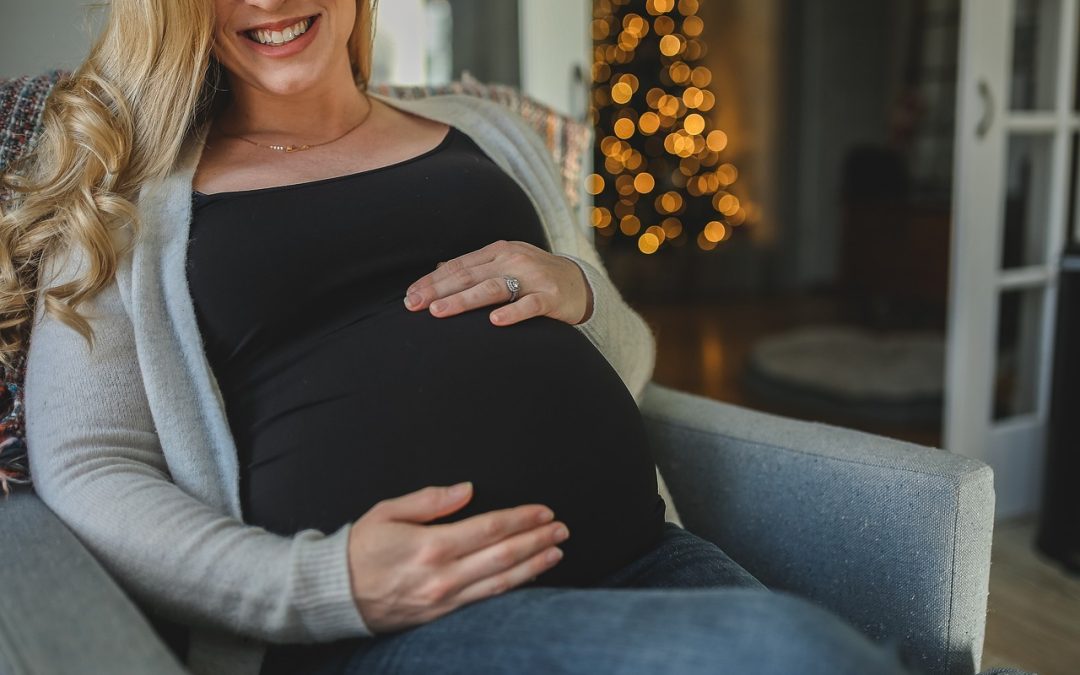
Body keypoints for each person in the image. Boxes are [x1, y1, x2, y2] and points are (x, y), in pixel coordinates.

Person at [3, 1, 928, 674]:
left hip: (647, 554)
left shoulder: (490, 131)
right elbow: (90, 463)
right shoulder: (125, 187)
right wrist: (321, 583)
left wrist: (578, 291)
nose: (272, 1)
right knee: (796, 653)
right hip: (392, 633)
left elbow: (626, 354)